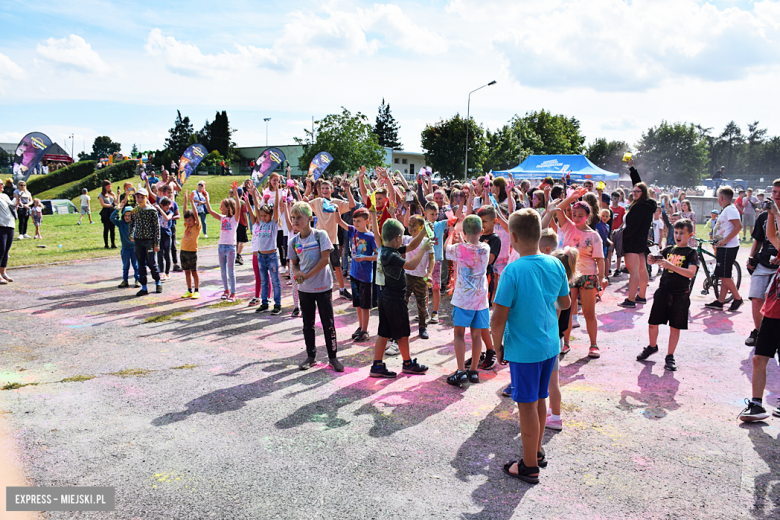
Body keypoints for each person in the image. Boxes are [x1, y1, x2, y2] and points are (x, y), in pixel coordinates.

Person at [492, 209, 571, 484]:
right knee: (539, 400)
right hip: (549, 346)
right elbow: (565, 304)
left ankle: (528, 466)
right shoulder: (555, 264)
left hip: (524, 351)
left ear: (512, 237)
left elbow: (498, 316)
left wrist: (497, 346)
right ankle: (536, 452)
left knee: (525, 406)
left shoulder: (512, 270)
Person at [369, 219, 431, 378]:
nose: (403, 240)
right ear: (398, 238)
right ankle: (408, 363)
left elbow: (410, 246)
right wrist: (423, 250)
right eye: (402, 237)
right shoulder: (391, 255)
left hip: (385, 297)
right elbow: (410, 265)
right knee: (403, 333)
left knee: (384, 332)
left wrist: (424, 233)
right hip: (394, 299)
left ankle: (376, 366)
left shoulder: (386, 249)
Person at [636, 219, 699, 371]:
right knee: (653, 323)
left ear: (690, 235)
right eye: (676, 232)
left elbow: (691, 273)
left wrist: (671, 266)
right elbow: (654, 261)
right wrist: (651, 259)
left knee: (675, 327)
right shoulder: (669, 249)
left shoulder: (691, 253)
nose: (678, 235)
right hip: (663, 291)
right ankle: (652, 346)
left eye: (682, 233)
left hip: (680, 294)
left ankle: (670, 355)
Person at [288, 201, 343, 372]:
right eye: (293, 218)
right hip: (305, 289)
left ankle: (333, 357)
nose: (295, 221)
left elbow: (324, 260)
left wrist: (306, 275)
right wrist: (298, 273)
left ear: (310, 218)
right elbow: (295, 264)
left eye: (299, 217)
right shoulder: (294, 242)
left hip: (322, 287)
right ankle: (311, 356)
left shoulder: (321, 235)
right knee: (307, 324)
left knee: (328, 323)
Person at [738, 201, 780, 422]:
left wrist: (776, 213)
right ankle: (756, 405)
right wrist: (772, 214)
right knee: (759, 358)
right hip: (772, 311)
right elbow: (772, 235)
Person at [555, 189, 607, 358]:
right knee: (568, 311)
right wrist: (571, 197)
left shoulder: (594, 236)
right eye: (574, 214)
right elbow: (558, 210)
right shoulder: (568, 227)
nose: (576, 218)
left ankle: (593, 344)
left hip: (588, 276)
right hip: (569, 275)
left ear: (588, 216)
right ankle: (566, 342)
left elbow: (600, 259)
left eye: (580, 215)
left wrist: (602, 278)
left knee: (589, 312)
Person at [444, 214, 491, 386]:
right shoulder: (485, 249)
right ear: (482, 231)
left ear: (464, 232)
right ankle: (473, 371)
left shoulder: (459, 249)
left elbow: (446, 248)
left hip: (463, 299)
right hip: (480, 300)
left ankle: (460, 371)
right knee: (476, 334)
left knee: (459, 334)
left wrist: (451, 233)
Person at [306, 179, 357, 299]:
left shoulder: (336, 202)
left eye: (327, 188)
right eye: (322, 188)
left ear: (331, 190)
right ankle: (317, 289)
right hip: (318, 239)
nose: (324, 190)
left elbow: (352, 205)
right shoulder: (317, 201)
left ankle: (342, 289)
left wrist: (348, 190)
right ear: (319, 190)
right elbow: (304, 205)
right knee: (317, 266)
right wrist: (307, 189)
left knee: (337, 267)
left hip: (332, 239)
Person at [745, 180, 780, 346]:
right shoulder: (765, 216)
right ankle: (759, 332)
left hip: (778, 266)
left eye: (779, 193)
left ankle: (770, 333)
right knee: (756, 296)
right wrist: (752, 257)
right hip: (764, 261)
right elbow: (760, 239)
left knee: (769, 295)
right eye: (774, 192)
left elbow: (775, 238)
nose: (776, 195)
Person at [335, 207, 377, 342]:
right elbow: (339, 221)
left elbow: (378, 256)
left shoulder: (370, 237)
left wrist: (364, 258)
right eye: (354, 221)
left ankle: (365, 330)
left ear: (367, 221)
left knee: (365, 305)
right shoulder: (353, 231)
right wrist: (336, 210)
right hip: (354, 274)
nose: (356, 223)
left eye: (359, 221)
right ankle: (360, 327)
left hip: (365, 276)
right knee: (358, 304)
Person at [618, 161, 656, 308]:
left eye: (636, 192)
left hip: (633, 242)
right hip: (640, 241)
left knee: (634, 271)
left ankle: (631, 300)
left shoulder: (640, 207)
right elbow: (639, 185)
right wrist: (632, 169)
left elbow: (632, 227)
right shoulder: (647, 204)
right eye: (632, 191)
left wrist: (621, 236)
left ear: (643, 193)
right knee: (641, 269)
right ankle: (641, 296)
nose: (633, 193)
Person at [705, 187, 744, 311]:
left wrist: (725, 241)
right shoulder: (727, 210)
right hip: (724, 246)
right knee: (724, 274)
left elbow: (738, 226)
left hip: (728, 247)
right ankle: (720, 301)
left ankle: (738, 298)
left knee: (724, 275)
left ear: (721, 198)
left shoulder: (730, 210)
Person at [250, 186, 282, 314]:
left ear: (270, 215)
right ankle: (264, 302)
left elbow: (276, 208)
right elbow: (257, 207)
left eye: (265, 216)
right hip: (261, 256)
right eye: (261, 216)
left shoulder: (273, 223)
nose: (263, 218)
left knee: (275, 281)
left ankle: (277, 304)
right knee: (264, 281)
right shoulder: (261, 223)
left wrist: (278, 192)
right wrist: (253, 193)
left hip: (272, 256)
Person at [205, 182, 240, 302]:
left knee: (231, 271)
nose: (220, 208)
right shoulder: (222, 218)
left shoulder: (234, 219)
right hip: (221, 246)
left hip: (230, 247)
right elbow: (210, 210)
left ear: (228, 208)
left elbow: (239, 208)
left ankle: (233, 293)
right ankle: (226, 290)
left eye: (222, 206)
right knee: (223, 270)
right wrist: (206, 198)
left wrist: (235, 194)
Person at [129, 188, 162, 296]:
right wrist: (131, 234)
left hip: (149, 241)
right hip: (139, 240)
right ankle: (144, 287)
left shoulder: (152, 211)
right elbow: (132, 224)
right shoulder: (135, 211)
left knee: (151, 263)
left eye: (142, 197)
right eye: (138, 197)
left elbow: (157, 228)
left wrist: (156, 243)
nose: (139, 199)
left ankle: (158, 282)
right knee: (141, 264)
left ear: (146, 198)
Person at [423, 201, 449, 324]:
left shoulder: (440, 225)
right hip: (423, 261)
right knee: (424, 287)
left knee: (435, 288)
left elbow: (457, 218)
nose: (434, 216)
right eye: (431, 214)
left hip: (436, 261)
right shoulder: (421, 226)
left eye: (436, 214)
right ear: (425, 213)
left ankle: (435, 312)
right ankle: (424, 311)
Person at [178, 191, 202, 299]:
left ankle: (197, 290)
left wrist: (192, 202)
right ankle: (189, 290)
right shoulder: (186, 226)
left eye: (190, 220)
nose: (188, 222)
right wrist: (185, 200)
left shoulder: (196, 227)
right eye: (186, 220)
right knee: (186, 272)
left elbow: (196, 215)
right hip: (183, 251)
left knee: (194, 271)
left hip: (192, 252)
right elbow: (184, 212)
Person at [111, 200, 140, 289]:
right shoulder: (121, 224)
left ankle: (137, 280)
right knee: (125, 265)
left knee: (136, 266)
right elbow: (112, 218)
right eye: (126, 215)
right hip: (125, 248)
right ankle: (125, 280)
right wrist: (117, 209)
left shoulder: (136, 223)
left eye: (129, 216)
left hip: (135, 248)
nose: (127, 217)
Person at [154, 196, 174, 281]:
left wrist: (160, 209)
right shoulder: (157, 212)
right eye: (166, 205)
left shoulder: (171, 212)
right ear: (162, 205)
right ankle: (161, 272)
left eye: (168, 205)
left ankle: (167, 272)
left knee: (167, 254)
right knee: (160, 254)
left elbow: (166, 218)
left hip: (167, 235)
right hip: (159, 235)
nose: (168, 206)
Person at [0, 190, 16, 283]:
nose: (2, 185)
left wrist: (17, 201)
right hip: (1, 226)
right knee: (0, 250)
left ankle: (3, 273)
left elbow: (13, 208)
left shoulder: (5, 196)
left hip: (10, 224)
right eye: (0, 183)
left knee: (6, 251)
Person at [98, 180, 117, 249]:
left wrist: (117, 195)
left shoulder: (112, 194)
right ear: (104, 186)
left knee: (113, 228)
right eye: (108, 186)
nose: (109, 187)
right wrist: (111, 205)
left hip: (112, 211)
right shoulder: (101, 195)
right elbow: (103, 204)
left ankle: (113, 243)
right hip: (106, 212)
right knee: (106, 228)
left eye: (110, 186)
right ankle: (106, 244)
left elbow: (116, 202)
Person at [235, 187, 250, 266]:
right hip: (241, 222)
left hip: (235, 222)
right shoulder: (242, 203)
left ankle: (235, 254)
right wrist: (247, 223)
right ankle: (238, 254)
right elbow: (244, 214)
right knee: (243, 240)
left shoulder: (232, 201)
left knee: (236, 240)